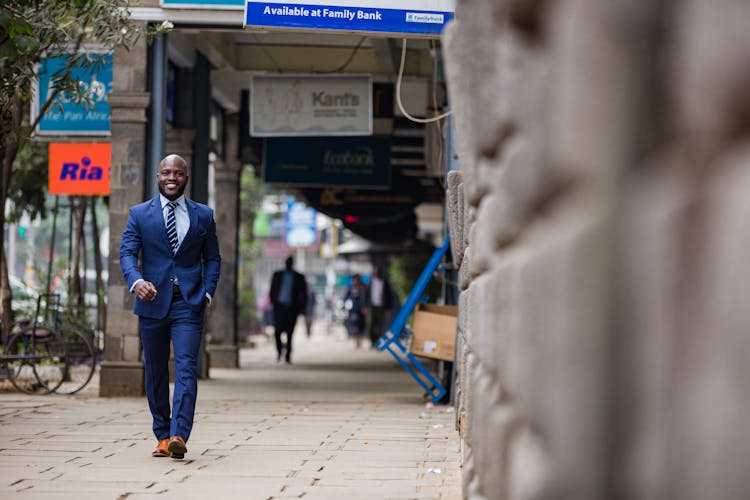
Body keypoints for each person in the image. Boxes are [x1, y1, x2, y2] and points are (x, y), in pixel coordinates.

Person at [120, 154, 221, 460]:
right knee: (155, 372)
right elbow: (127, 253)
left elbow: (213, 258)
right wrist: (137, 281)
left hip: (189, 303)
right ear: (158, 177)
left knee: (187, 368)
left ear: (186, 178)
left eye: (178, 173)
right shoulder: (139, 214)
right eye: (166, 173)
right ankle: (162, 435)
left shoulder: (203, 215)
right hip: (151, 303)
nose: (172, 178)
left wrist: (206, 293)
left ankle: (179, 434)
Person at [269, 256, 307, 363]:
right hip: (279, 307)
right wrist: (273, 301)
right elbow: (272, 289)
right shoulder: (277, 275)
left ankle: (288, 356)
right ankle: (279, 351)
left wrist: (302, 308)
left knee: (290, 333)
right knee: (277, 332)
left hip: (291, 308)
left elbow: (303, 294)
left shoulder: (299, 277)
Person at [366, 266, 393, 348]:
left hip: (381, 307)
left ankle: (378, 342)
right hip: (372, 307)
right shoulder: (370, 282)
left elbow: (388, 296)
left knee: (379, 325)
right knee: (371, 325)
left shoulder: (384, 282)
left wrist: (388, 308)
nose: (376, 273)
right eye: (375, 272)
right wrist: (365, 306)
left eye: (378, 272)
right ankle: (372, 342)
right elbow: (366, 295)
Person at [345, 274, 367, 348]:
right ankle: (356, 341)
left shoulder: (364, 287)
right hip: (354, 310)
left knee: (362, 326)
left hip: (363, 310)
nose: (356, 280)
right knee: (355, 326)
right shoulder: (351, 288)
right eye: (354, 279)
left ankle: (360, 339)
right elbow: (346, 297)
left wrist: (365, 307)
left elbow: (367, 298)